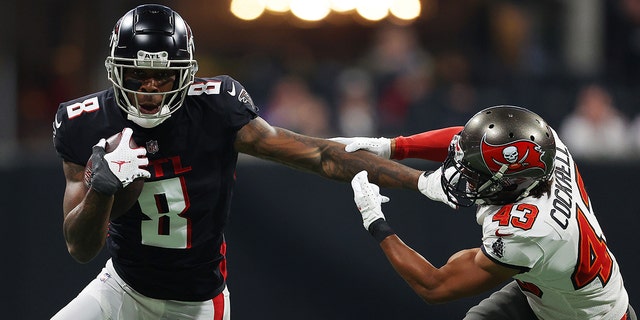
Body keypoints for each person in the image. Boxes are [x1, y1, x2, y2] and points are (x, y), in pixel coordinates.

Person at [50, 4, 441, 320]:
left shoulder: (216, 108)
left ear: (186, 74)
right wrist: (101, 189)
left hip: (196, 304)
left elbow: (321, 155)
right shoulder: (83, 122)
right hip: (120, 287)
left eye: (163, 76)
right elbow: (80, 248)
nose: (150, 89)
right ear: (116, 71)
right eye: (138, 74)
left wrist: (419, 181)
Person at [338, 106, 635, 319]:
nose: (465, 177)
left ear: (511, 182)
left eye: (476, 175)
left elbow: (435, 286)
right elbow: (471, 143)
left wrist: (374, 220)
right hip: (547, 291)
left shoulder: (530, 230)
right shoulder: (542, 150)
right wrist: (394, 146)